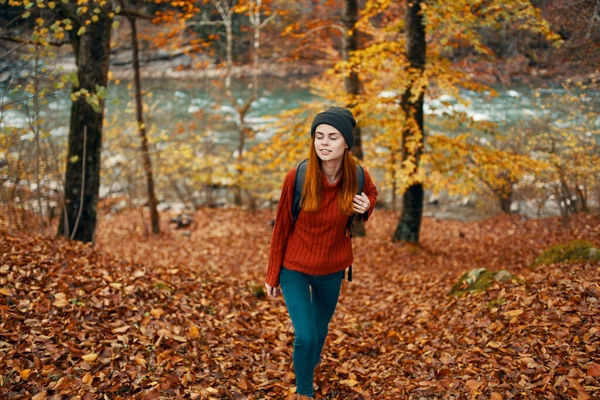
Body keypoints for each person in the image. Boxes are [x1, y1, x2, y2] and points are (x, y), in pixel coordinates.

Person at [264, 106, 378, 399]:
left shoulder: (358, 176)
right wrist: (272, 274)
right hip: (295, 267)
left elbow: (372, 195)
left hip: (332, 269)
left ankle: (310, 360)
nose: (324, 143)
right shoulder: (297, 177)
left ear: (346, 144)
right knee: (305, 334)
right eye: (319, 136)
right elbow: (281, 228)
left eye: (333, 137)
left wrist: (367, 207)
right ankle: (304, 391)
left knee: (320, 330)